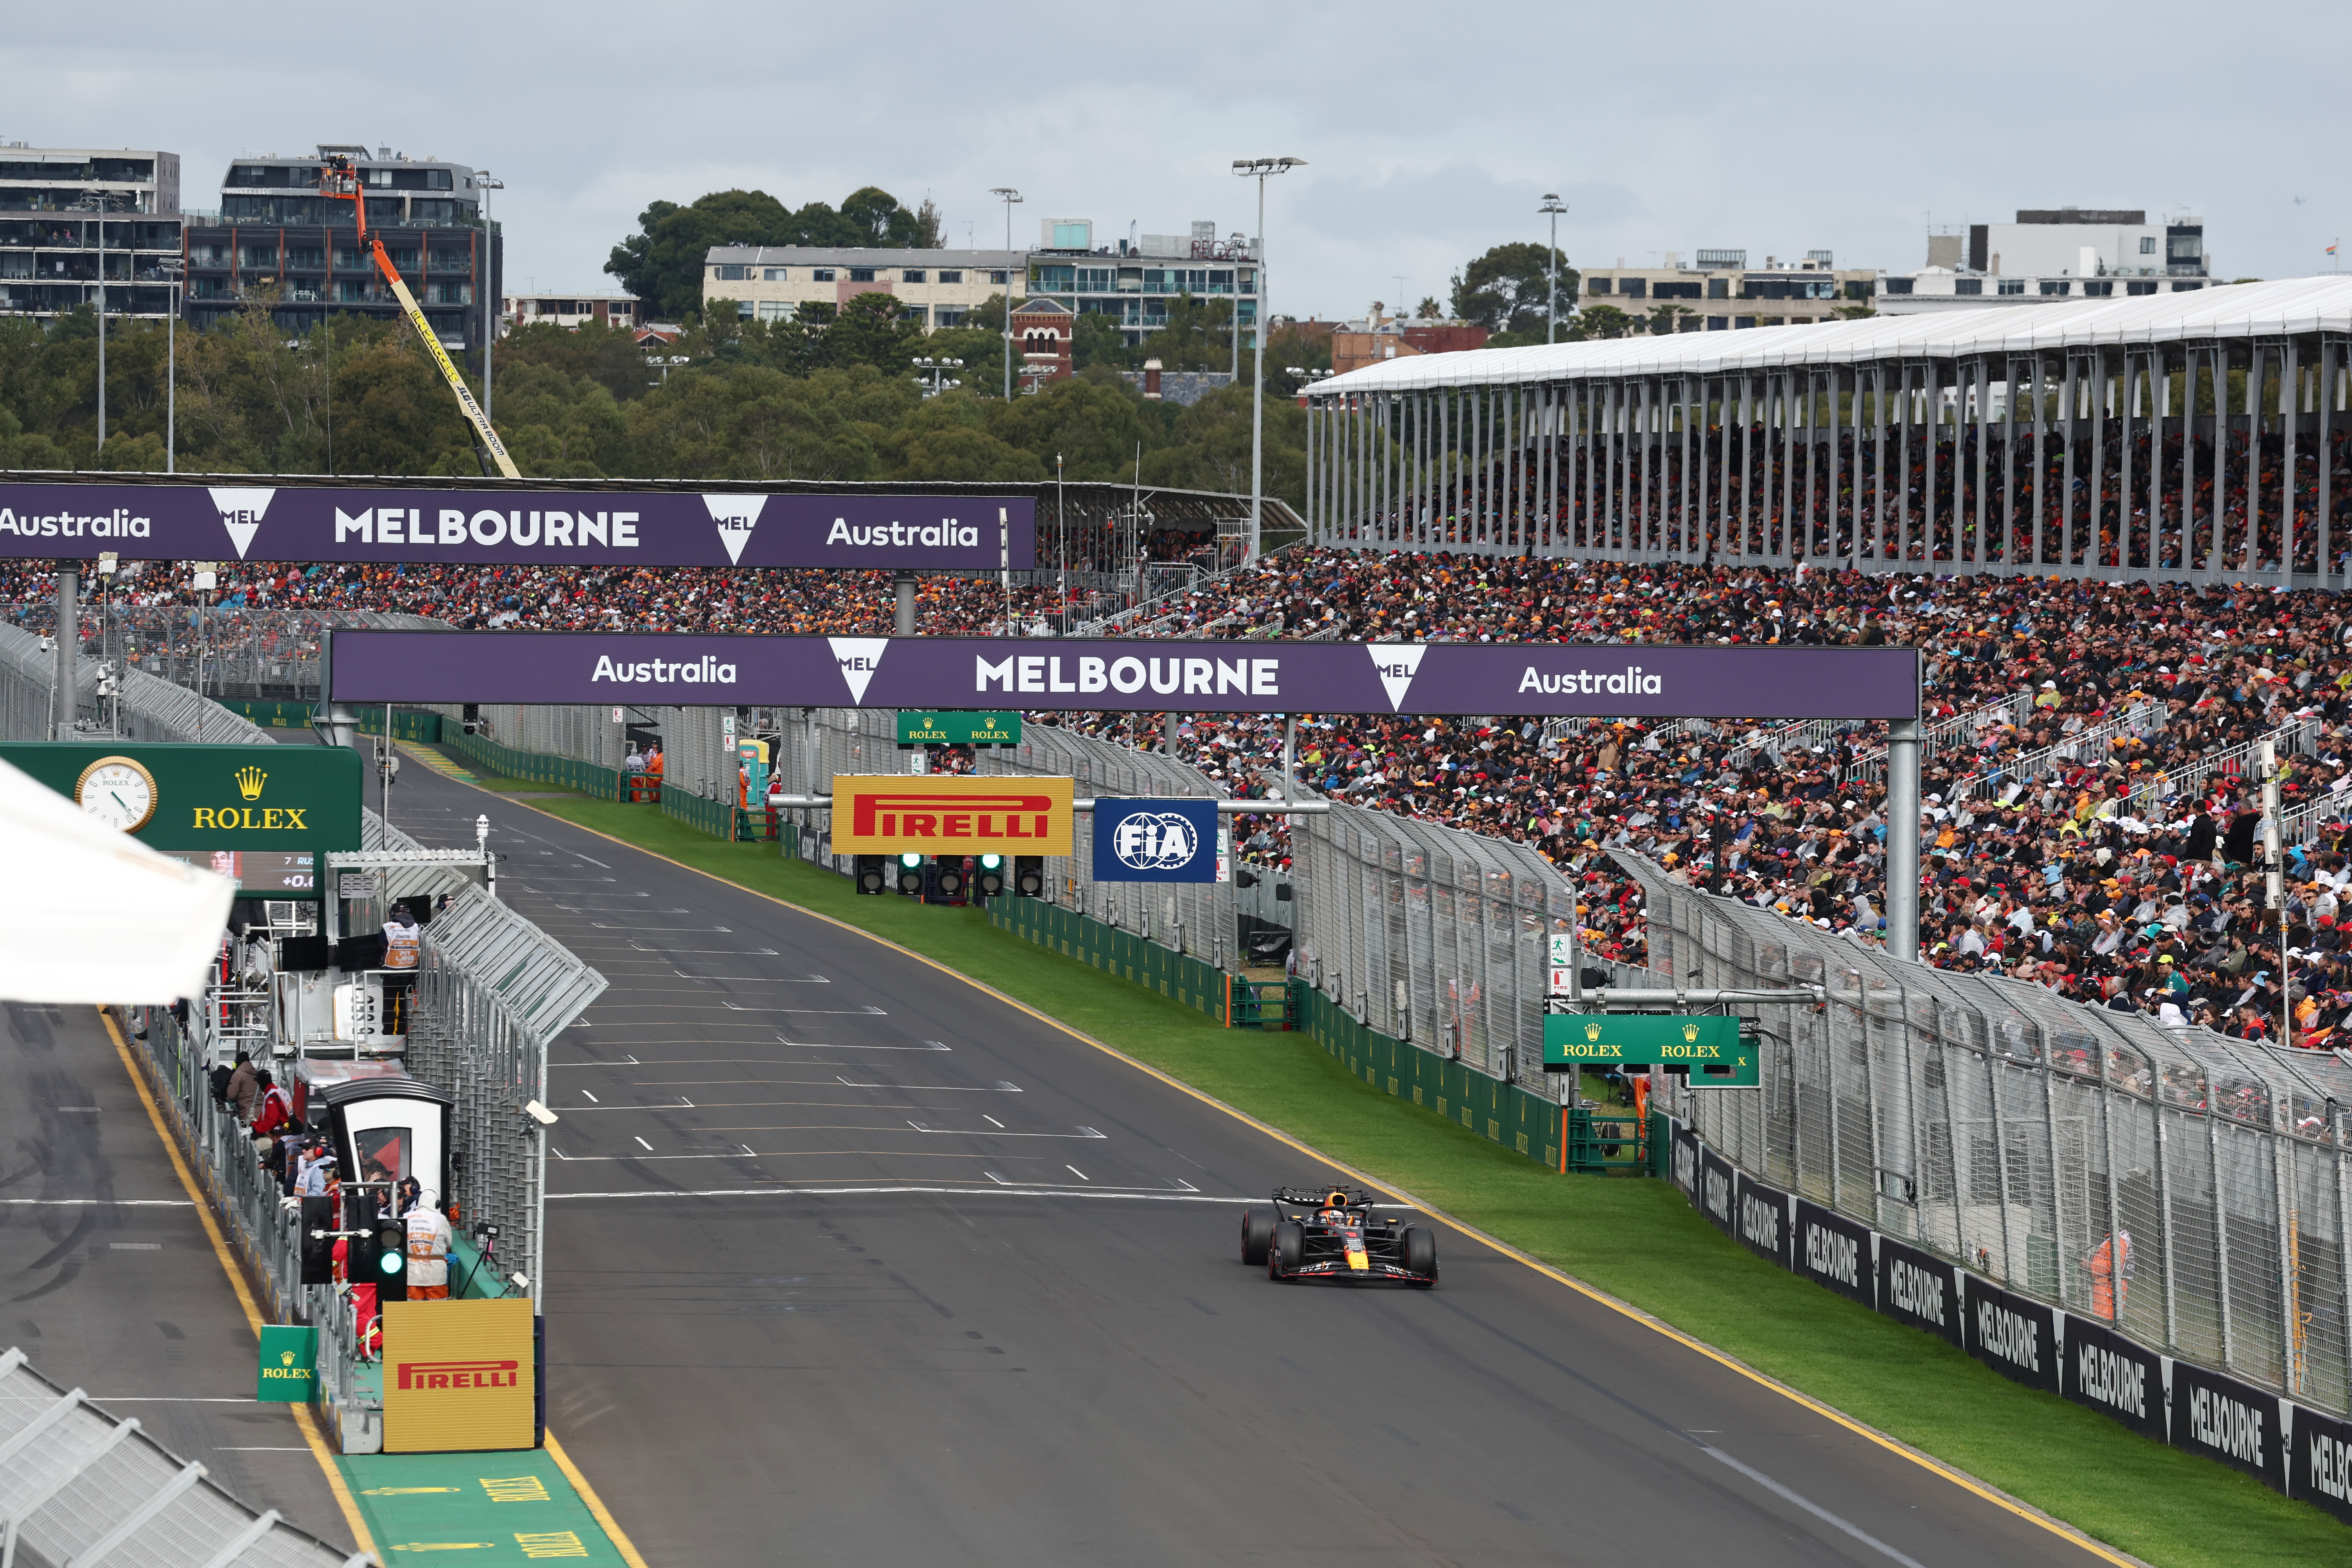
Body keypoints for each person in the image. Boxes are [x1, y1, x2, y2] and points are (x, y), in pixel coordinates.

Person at [404, 1187, 454, 1300]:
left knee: (412, 1309)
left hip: (412, 1270)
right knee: (438, 1309)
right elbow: (449, 1242)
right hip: (435, 1270)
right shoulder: (441, 1219)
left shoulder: (406, 1217)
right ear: (437, 1204)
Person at [223, 1051, 259, 1124]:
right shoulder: (256, 1073)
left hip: (247, 1114)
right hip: (261, 1113)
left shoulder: (238, 1075)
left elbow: (231, 1095)